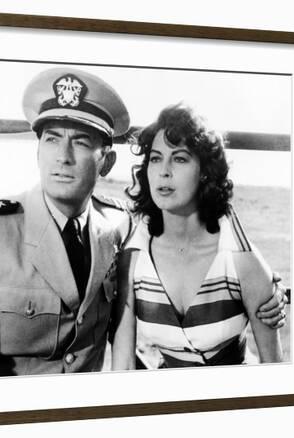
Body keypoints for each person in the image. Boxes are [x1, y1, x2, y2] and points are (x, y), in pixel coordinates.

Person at [0, 69, 287, 379]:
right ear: (37, 150)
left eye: (79, 142)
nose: (62, 157)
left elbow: (194, 224)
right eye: (51, 139)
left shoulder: (120, 228)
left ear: (106, 163)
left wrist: (266, 290)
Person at [111, 103, 284, 369]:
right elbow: (122, 368)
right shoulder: (133, 259)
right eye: (155, 158)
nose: (163, 171)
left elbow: (275, 371)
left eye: (179, 158)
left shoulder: (241, 261)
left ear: (204, 171)